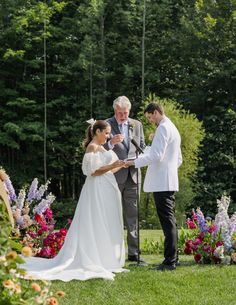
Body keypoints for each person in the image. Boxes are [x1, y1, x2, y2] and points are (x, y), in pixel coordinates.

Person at [21, 120, 129, 281]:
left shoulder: (100, 147)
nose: (108, 136)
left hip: (107, 187)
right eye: (106, 133)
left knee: (105, 221)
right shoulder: (91, 147)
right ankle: (92, 258)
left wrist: (121, 164)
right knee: (96, 220)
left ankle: (105, 258)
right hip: (97, 189)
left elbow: (109, 170)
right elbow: (92, 171)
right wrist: (112, 164)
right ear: (97, 131)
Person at [126, 102, 182, 270]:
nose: (150, 120)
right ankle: (174, 258)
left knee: (167, 222)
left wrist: (133, 163)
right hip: (168, 180)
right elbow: (178, 160)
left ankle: (169, 262)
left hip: (162, 183)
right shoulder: (171, 127)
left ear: (156, 112)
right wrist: (167, 169)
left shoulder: (164, 128)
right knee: (169, 221)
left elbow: (157, 156)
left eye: (150, 117)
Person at [104, 96, 146, 262]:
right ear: (115, 111)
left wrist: (135, 161)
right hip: (113, 175)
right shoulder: (106, 124)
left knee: (133, 216)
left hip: (134, 175)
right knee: (111, 215)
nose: (123, 116)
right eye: (120, 113)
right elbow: (98, 148)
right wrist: (111, 143)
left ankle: (133, 254)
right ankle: (111, 253)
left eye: (126, 113)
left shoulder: (137, 124)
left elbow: (142, 147)